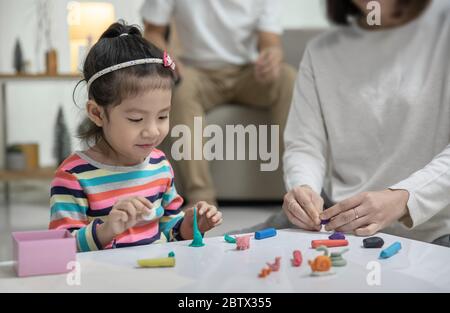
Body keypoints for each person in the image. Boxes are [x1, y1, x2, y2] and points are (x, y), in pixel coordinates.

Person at [281, 0, 450, 246]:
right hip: (337, 228)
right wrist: (304, 188)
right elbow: (304, 144)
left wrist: (404, 199)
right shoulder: (321, 51)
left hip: (434, 233)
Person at [49, 21, 222, 252]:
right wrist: (105, 230)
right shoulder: (74, 176)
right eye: (136, 119)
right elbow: (58, 249)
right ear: (97, 113)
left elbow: (169, 230)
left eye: (163, 116)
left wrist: (190, 226)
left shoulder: (159, 165)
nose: (152, 131)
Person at [140, 0, 297, 207]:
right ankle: (201, 197)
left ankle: (301, 189)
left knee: (288, 78)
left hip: (249, 72)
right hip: (197, 72)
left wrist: (272, 56)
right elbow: (153, 31)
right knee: (181, 90)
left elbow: (270, 42)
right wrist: (168, 58)